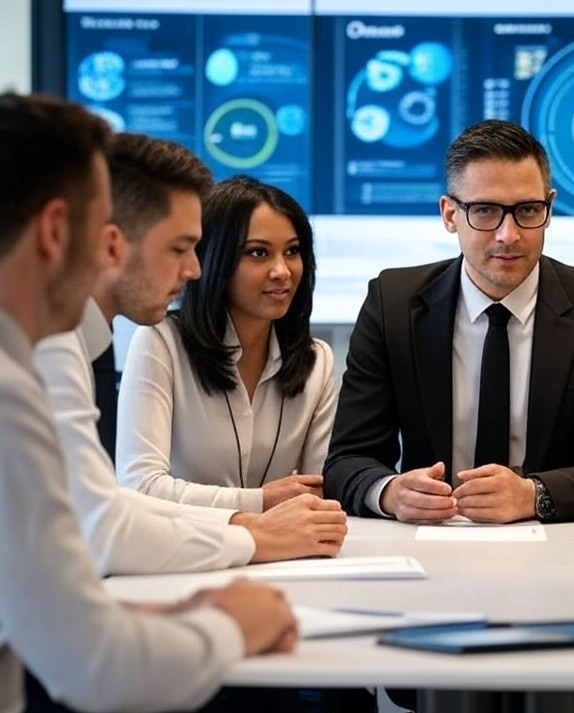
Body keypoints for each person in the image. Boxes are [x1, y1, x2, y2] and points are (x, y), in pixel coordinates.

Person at [0, 90, 302, 713]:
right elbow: (91, 656)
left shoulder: (38, 349)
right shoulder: (17, 379)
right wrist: (229, 621)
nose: (196, 271)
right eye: (183, 248)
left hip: (32, 654)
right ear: (58, 231)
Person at [322, 118, 574, 524]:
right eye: (485, 210)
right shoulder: (394, 304)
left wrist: (534, 494)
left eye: (527, 210)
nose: (508, 234)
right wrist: (389, 493)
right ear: (449, 214)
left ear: (549, 209)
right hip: (430, 541)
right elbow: (348, 460)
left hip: (558, 544)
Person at [35, 132, 348, 575]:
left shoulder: (76, 339)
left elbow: (99, 508)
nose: (194, 269)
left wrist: (257, 532)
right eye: (180, 248)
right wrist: (253, 527)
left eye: (293, 252)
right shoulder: (53, 346)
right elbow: (105, 518)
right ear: (110, 244)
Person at [116, 176, 335, 514]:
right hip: (184, 550)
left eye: (292, 251)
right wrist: (258, 502)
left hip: (285, 555)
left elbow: (319, 488)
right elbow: (140, 485)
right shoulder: (160, 342)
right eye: (258, 253)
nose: (282, 271)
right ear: (214, 259)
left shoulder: (316, 360)